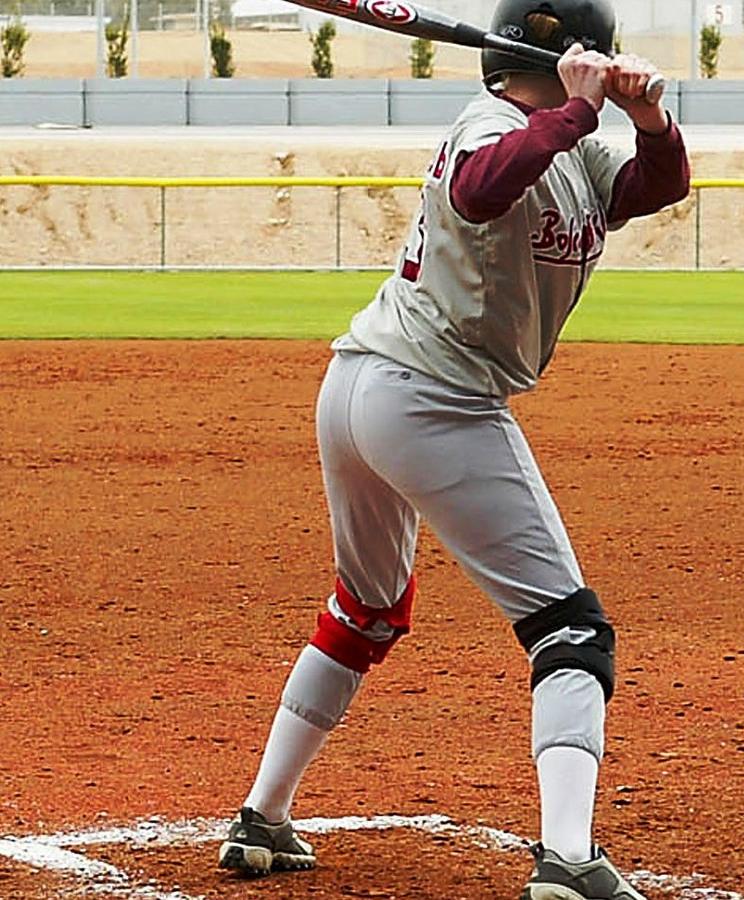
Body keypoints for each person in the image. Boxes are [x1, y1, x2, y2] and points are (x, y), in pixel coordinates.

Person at [215, 1, 689, 898]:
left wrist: (648, 120)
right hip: (428, 395)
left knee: (367, 611)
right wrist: (581, 108)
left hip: (371, 385)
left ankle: (262, 819)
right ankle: (568, 862)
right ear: (568, 56)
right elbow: (479, 188)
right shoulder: (493, 124)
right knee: (572, 633)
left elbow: (651, 190)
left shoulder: (570, 141)